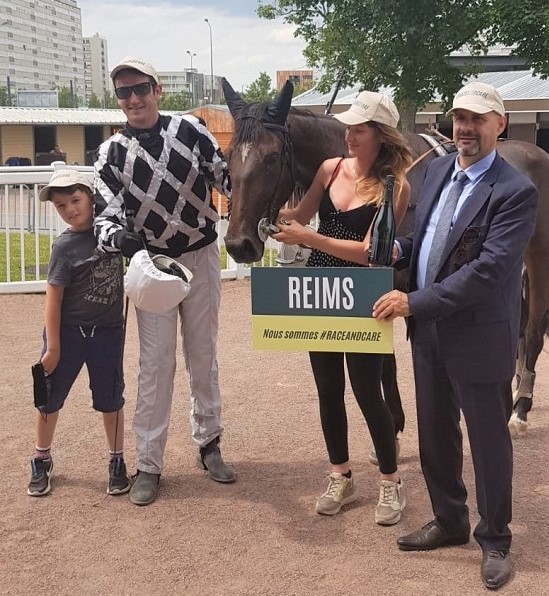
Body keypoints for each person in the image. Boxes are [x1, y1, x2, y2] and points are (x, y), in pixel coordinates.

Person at [372, 82, 538, 590]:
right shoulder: (440, 169)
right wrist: (398, 249)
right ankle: (449, 520)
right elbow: (427, 236)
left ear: (499, 124)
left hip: (478, 332)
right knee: (435, 431)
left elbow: (488, 272)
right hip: (430, 332)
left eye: (477, 119)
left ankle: (494, 539)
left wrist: (412, 301)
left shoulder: (515, 192)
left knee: (488, 441)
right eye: (459, 118)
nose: (465, 128)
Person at [93, 56, 234, 507]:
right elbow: (105, 215)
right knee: (154, 365)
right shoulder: (111, 152)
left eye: (139, 89)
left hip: (200, 254)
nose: (132, 99)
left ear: (157, 89)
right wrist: (126, 243)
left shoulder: (191, 130)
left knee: (203, 351)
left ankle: (209, 443)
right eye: (123, 92)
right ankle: (148, 463)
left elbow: (228, 178)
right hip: (151, 266)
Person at [272, 91, 412, 525]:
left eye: (359, 128)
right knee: (328, 389)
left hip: (365, 292)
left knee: (369, 391)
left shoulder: (396, 186)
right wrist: (269, 206)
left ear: (381, 135)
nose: (349, 134)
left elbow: (373, 252)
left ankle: (390, 483)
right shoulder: (329, 169)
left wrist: (307, 238)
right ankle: (341, 475)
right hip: (321, 289)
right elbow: (300, 213)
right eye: (349, 126)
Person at [28, 169, 129, 497]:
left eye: (75, 200)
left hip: (108, 333)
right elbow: (53, 297)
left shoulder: (114, 233)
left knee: (111, 398)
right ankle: (41, 457)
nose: (70, 209)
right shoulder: (64, 246)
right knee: (49, 397)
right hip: (69, 333)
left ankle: (116, 461)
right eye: (61, 206)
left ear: (91, 197)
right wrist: (53, 346)